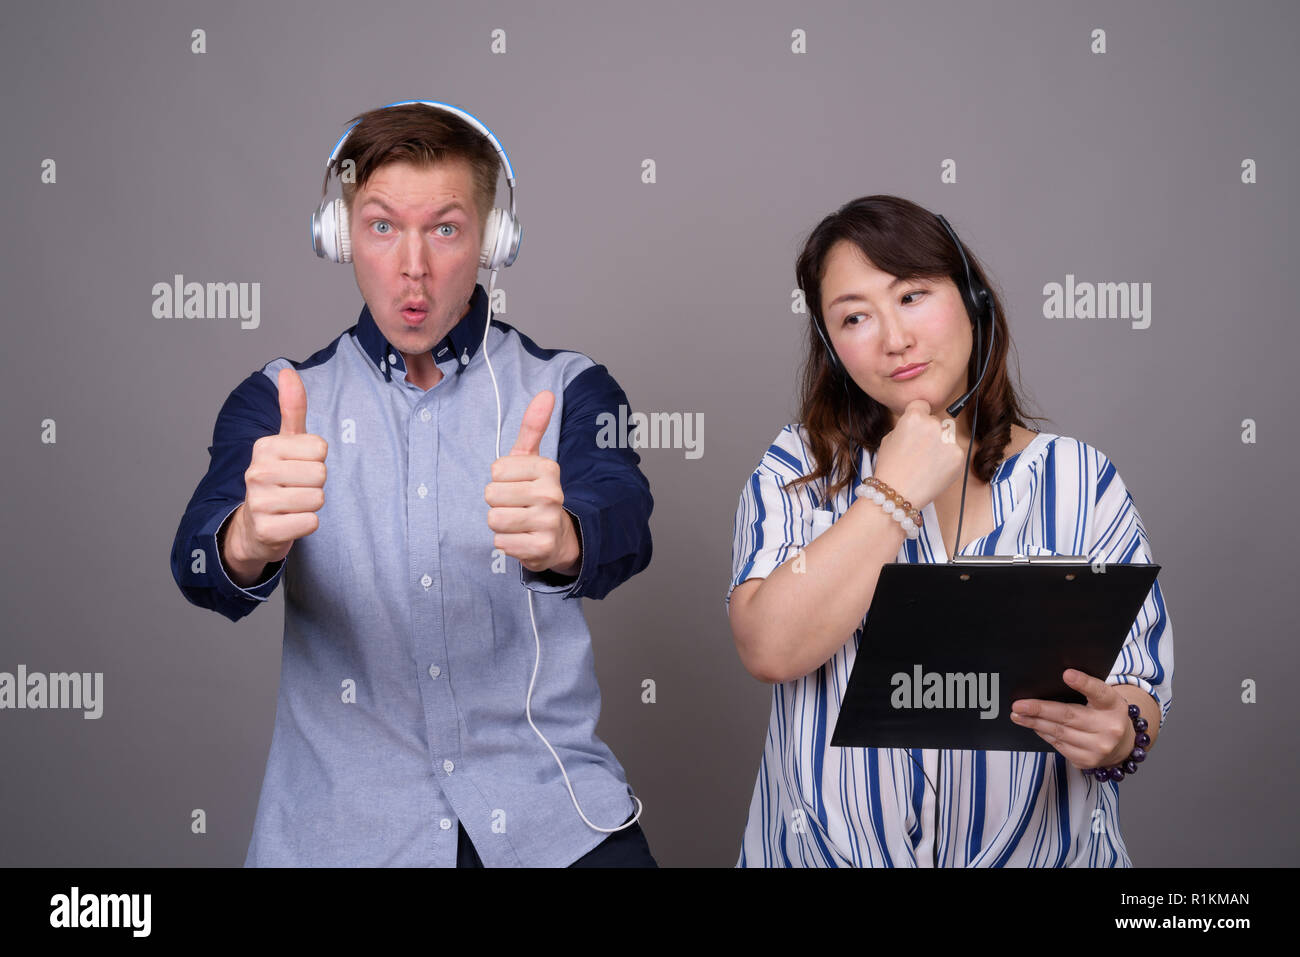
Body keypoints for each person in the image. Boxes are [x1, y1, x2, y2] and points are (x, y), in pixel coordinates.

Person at [170, 101, 657, 867]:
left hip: (551, 817)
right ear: (339, 238)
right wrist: (245, 541)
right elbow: (195, 565)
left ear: (495, 241)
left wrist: (567, 536)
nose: (413, 267)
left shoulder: (569, 387)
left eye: (447, 228)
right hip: (340, 833)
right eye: (382, 225)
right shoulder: (278, 400)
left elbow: (628, 522)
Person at [725, 195, 1174, 867]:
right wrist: (894, 491)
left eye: (911, 296)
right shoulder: (799, 467)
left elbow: (1139, 683)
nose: (894, 339)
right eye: (855, 317)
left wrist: (1120, 731)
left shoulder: (1083, 478)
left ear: (972, 299)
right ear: (831, 345)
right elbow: (769, 646)